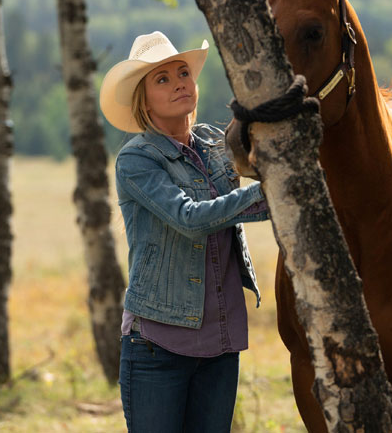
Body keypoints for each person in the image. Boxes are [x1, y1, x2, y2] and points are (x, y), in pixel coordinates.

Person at [99, 31, 270, 432]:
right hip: (157, 347)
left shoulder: (215, 143)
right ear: (144, 100)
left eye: (183, 73)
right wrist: (268, 191)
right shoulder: (136, 160)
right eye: (162, 79)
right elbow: (190, 218)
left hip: (221, 342)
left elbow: (267, 176)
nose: (179, 83)